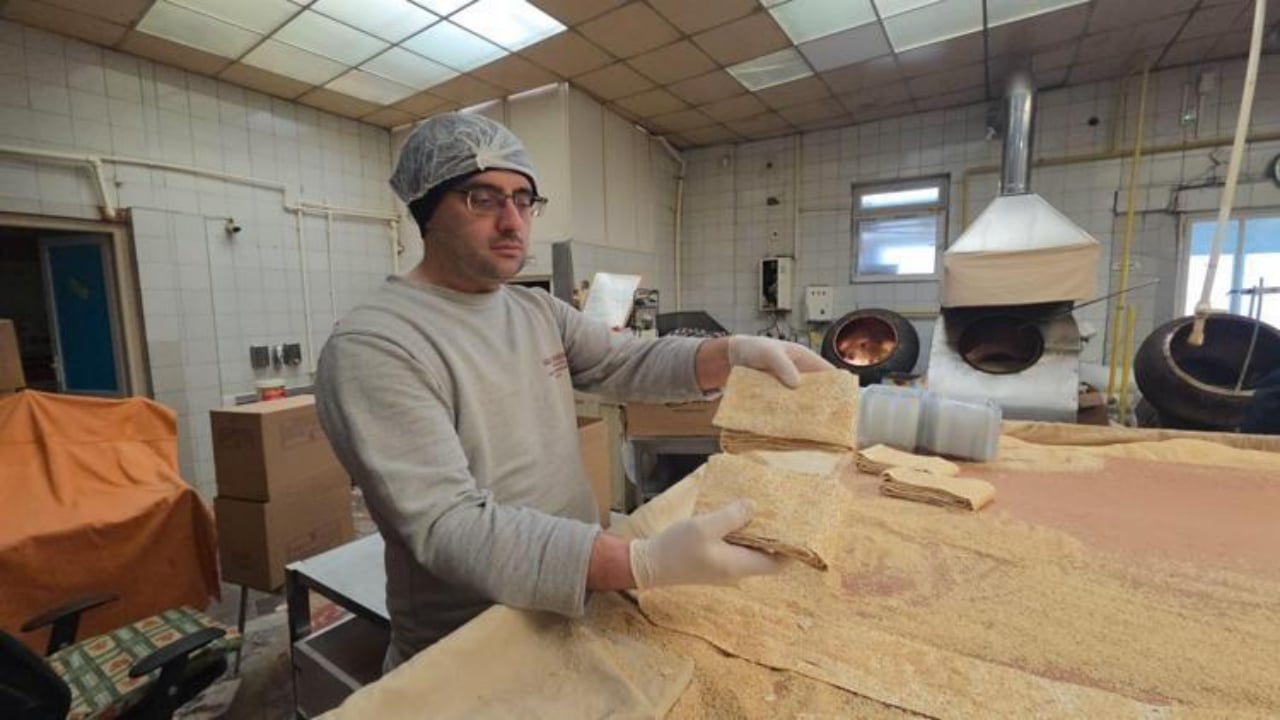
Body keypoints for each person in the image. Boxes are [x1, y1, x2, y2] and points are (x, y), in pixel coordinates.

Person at [315, 113, 832, 670]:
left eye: (524, 199)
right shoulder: (377, 345)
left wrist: (731, 354)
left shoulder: (533, 309)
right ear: (426, 212)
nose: (513, 222)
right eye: (482, 199)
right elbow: (449, 525)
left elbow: (624, 360)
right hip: (472, 642)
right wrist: (640, 562)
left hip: (577, 603)